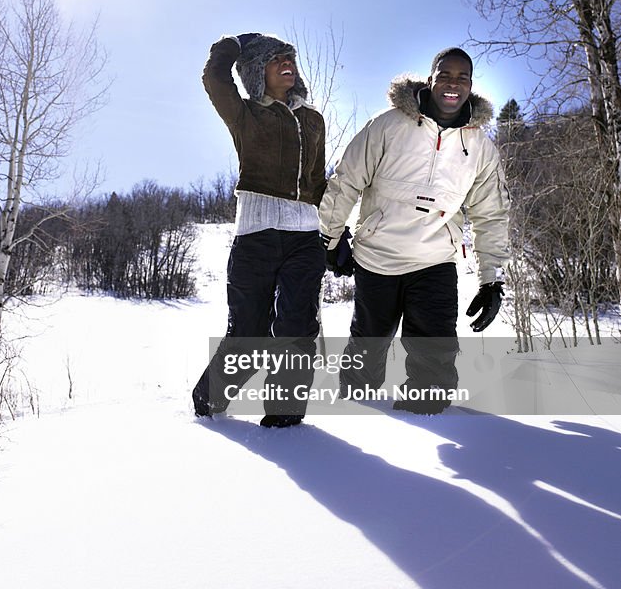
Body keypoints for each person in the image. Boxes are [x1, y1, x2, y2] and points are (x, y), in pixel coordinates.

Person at [319, 47, 509, 414]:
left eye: (462, 77)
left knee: (433, 376)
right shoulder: (389, 124)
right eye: (445, 75)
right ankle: (353, 425)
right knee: (364, 362)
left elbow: (492, 215)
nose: (453, 84)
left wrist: (492, 280)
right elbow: (346, 180)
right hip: (378, 258)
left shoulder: (481, 147)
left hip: (435, 261)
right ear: (430, 78)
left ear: (471, 85)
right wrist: (329, 235)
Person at [192, 33, 327, 427]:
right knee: (248, 333)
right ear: (256, 71)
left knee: (297, 329)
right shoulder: (245, 113)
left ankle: (286, 423)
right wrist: (231, 45)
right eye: (275, 59)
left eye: (289, 57)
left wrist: (334, 232)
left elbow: (317, 181)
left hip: (304, 238)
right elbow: (215, 79)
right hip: (256, 235)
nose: (286, 63)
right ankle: (206, 408)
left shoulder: (312, 119)